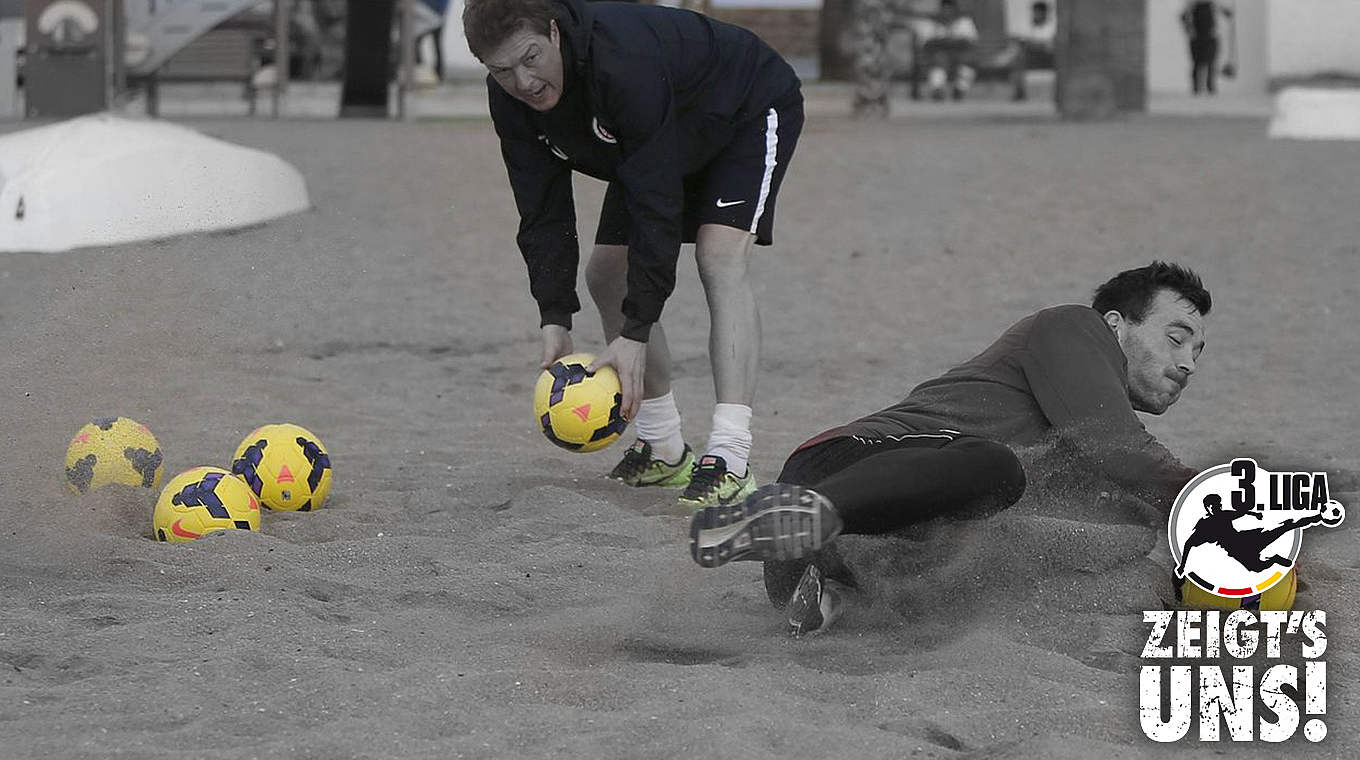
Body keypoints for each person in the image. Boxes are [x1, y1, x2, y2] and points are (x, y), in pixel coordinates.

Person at [690, 262, 1212, 636]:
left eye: (1197, 351)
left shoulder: (1084, 444)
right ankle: (802, 521)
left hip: (812, 563)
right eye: (1175, 337)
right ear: (1117, 324)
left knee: (1033, 547)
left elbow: (1129, 517)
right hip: (848, 466)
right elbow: (1121, 449)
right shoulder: (1074, 326)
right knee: (994, 467)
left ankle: (841, 590)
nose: (1188, 362)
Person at [463, 0, 804, 506]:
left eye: (530, 58)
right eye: (502, 70)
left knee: (718, 257)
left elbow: (657, 204)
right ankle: (664, 448)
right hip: (661, 132)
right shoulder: (509, 98)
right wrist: (554, 314)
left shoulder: (622, 64)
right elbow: (541, 207)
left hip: (744, 107)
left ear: (555, 33)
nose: (524, 82)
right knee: (605, 274)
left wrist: (636, 331)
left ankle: (730, 455)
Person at [992, 0, 1054, 101]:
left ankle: (1002, 60)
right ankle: (1019, 92)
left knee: (1019, 53)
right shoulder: (1028, 27)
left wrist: (1032, 43)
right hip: (1030, 56)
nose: (1036, 15)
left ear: (1044, 13)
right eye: (1035, 12)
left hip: (1046, 56)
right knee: (1019, 57)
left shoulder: (1050, 27)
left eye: (1038, 12)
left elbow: (1048, 45)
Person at [920, 0, 979, 100]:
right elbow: (926, 43)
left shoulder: (964, 22)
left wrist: (954, 42)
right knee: (939, 60)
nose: (947, 11)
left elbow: (971, 42)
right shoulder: (933, 22)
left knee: (967, 60)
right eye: (945, 8)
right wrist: (943, 41)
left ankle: (959, 90)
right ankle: (937, 90)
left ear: (955, 9)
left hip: (960, 55)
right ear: (941, 9)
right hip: (939, 55)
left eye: (950, 8)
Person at [1180, 1, 1233, 95]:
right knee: (1197, 63)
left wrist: (1227, 12)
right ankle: (1196, 89)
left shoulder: (1213, 4)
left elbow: (1226, 13)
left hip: (1210, 37)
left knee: (1211, 63)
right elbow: (1184, 17)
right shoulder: (1192, 4)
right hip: (1197, 38)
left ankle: (1210, 88)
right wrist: (1189, 30)